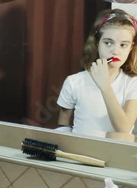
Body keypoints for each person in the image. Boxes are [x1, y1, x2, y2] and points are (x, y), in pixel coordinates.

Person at [56, 8, 137, 142]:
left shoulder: (133, 83)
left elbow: (123, 128)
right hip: (80, 151)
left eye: (123, 45)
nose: (115, 51)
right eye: (108, 43)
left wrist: (105, 85)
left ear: (131, 47)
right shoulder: (74, 82)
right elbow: (62, 125)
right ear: (97, 43)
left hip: (117, 155)